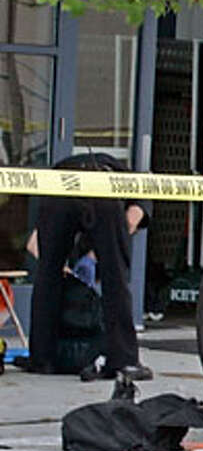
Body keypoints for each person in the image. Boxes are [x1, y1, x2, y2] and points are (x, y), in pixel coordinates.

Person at [22, 152, 153, 382]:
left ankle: (42, 359)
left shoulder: (55, 177)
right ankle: (125, 361)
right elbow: (131, 220)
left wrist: (61, 267)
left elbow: (34, 245)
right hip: (102, 184)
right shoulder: (134, 184)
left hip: (59, 185)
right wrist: (97, 258)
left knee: (47, 277)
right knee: (116, 278)